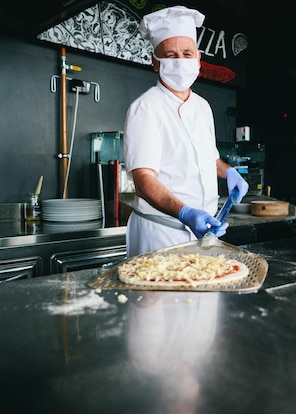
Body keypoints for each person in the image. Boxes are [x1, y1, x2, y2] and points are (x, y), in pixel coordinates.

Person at [123, 5, 249, 257]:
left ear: (198, 59)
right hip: (161, 234)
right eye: (170, 55)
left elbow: (209, 158)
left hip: (205, 234)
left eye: (187, 53)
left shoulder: (202, 106)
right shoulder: (145, 108)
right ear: (155, 63)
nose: (180, 61)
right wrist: (185, 212)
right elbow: (143, 181)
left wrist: (229, 172)